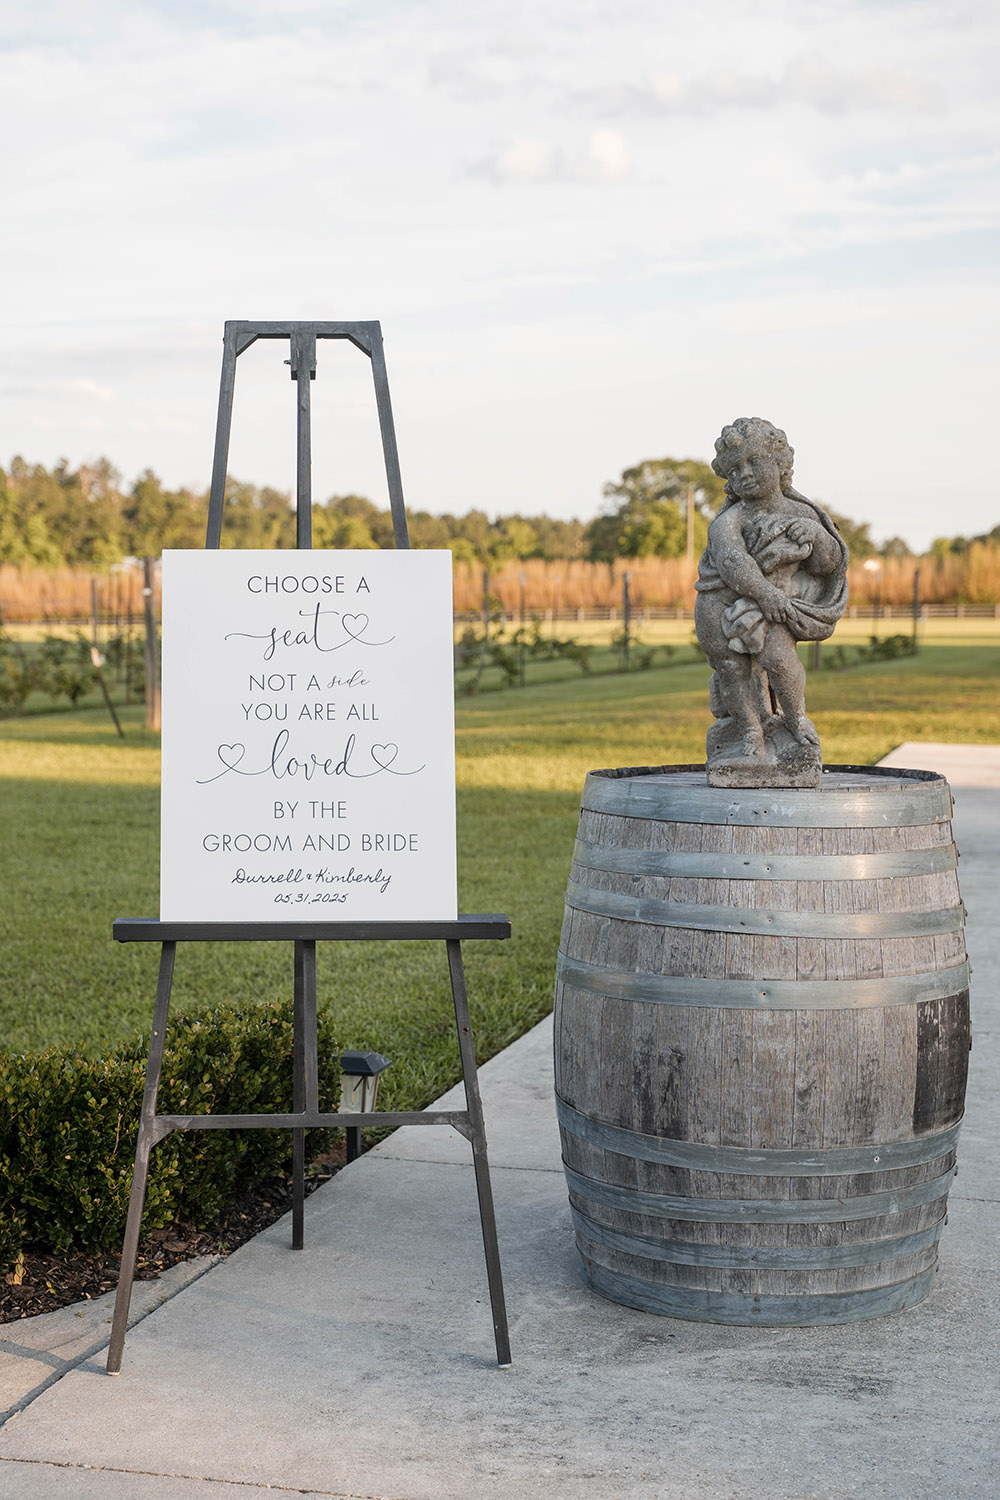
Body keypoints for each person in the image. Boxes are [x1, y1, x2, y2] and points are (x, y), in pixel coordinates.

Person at [694, 417, 848, 767]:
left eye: (754, 462)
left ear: (780, 463)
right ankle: (750, 730)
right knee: (731, 669)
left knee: (779, 659)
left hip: (774, 603)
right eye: (734, 470)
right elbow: (734, 564)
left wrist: (816, 535)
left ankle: (795, 719)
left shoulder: (802, 513)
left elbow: (827, 564)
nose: (744, 474)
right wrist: (764, 594)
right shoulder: (728, 522)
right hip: (719, 602)